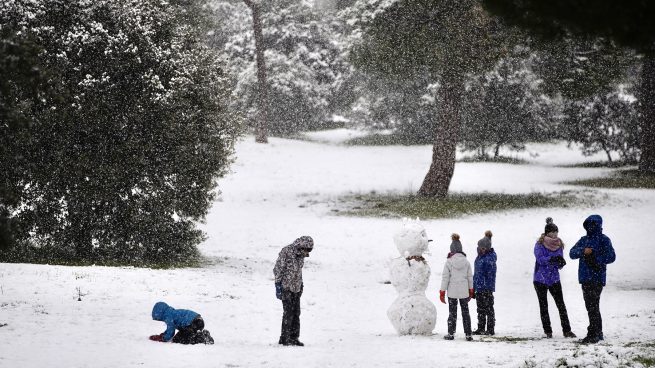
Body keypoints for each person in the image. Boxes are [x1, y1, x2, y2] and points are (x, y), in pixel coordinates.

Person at [570, 215, 616, 344]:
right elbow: (572, 253)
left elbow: (612, 256)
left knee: (592, 305)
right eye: (588, 224)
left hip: (597, 278)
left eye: (593, 224)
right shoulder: (583, 240)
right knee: (591, 306)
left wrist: (596, 258)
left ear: (598, 225)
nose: (590, 227)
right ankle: (597, 333)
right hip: (585, 278)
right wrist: (583, 251)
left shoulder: (604, 240)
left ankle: (593, 333)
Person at [533, 218, 576, 339]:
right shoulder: (539, 244)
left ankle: (567, 330)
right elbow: (540, 259)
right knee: (544, 306)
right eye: (552, 232)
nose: (554, 234)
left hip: (554, 279)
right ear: (547, 233)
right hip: (540, 279)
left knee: (561, 304)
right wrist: (551, 259)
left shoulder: (559, 244)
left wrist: (561, 262)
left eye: (556, 232)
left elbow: (559, 264)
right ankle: (548, 331)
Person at [274, 235, 314, 346]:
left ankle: (294, 338)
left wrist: (301, 285)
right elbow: (278, 268)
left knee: (296, 313)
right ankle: (284, 339)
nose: (307, 252)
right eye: (306, 249)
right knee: (288, 313)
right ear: (302, 245)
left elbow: (298, 271)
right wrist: (278, 284)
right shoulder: (286, 251)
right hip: (286, 287)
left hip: (297, 288)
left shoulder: (301, 255)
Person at [440, 233, 474, 341]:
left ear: (452, 250)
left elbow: (445, 278)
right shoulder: (467, 262)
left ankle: (451, 333)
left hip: (452, 292)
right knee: (465, 313)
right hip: (464, 291)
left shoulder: (449, 262)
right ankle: (468, 334)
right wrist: (471, 290)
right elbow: (470, 278)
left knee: (452, 313)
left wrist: (442, 291)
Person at [149, 301, 214, 344]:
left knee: (179, 339)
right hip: (198, 321)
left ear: (160, 314)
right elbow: (170, 328)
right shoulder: (171, 312)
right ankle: (201, 334)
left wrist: (163, 338)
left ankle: (203, 338)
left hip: (194, 323)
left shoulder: (168, 316)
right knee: (180, 336)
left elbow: (171, 331)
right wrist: (164, 334)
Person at [473, 230, 496, 336]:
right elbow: (476, 274)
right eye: (479, 248)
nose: (480, 250)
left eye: (483, 248)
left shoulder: (490, 258)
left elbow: (489, 273)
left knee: (489, 309)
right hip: (479, 287)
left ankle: (490, 329)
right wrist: (473, 287)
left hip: (486, 287)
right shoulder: (479, 258)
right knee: (480, 309)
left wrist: (485, 285)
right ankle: (481, 327)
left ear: (487, 248)